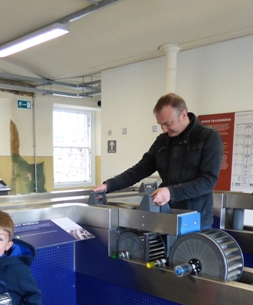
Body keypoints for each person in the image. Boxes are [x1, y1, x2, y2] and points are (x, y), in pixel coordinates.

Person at [93, 93, 223, 230]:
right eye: (161, 124)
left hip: (196, 219)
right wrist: (109, 185)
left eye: (168, 123)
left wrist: (171, 192)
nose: (164, 129)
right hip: (165, 214)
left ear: (183, 115)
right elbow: (140, 169)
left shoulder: (208, 137)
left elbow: (208, 180)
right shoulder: (163, 140)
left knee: (188, 252)